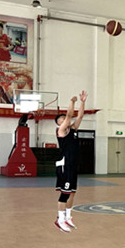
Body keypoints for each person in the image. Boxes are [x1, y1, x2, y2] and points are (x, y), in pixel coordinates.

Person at [53, 91, 87, 233]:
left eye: (64, 119)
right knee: (65, 193)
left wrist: (82, 102)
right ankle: (60, 220)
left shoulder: (73, 129)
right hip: (64, 164)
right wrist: (72, 102)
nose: (64, 120)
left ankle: (68, 216)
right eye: (61, 119)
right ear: (58, 123)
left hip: (73, 164)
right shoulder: (61, 131)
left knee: (72, 192)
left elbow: (80, 116)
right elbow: (69, 116)